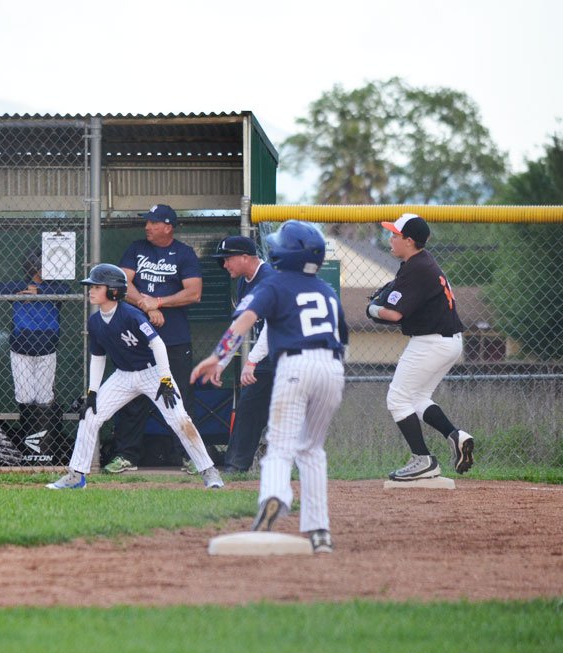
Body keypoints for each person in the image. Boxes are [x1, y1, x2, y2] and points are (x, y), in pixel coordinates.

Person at [192, 221, 347, 553]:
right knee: (312, 450)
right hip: (332, 369)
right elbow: (341, 335)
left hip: (294, 365)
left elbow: (244, 323)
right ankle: (319, 532)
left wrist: (218, 357)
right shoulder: (326, 291)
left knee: (280, 446)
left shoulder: (274, 284)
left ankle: (275, 496)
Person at [46, 264, 223, 490]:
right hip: (123, 376)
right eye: (92, 287)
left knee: (180, 420)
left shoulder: (131, 314)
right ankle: (76, 475)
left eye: (97, 287)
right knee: (89, 415)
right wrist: (92, 391)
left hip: (153, 373)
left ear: (113, 291)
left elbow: (157, 344)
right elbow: (98, 356)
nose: (91, 291)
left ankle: (209, 471)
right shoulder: (95, 321)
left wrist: (165, 380)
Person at [366, 213, 474, 480]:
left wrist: (372, 309)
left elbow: (394, 315)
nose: (390, 239)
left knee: (397, 399)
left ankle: (423, 460)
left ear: (409, 240)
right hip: (448, 341)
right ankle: (456, 435)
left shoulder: (416, 268)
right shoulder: (421, 262)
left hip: (431, 342)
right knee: (417, 398)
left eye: (395, 234)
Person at [106, 203, 203, 474]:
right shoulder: (136, 248)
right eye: (146, 222)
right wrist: (147, 306)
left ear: (168, 227)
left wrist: (159, 302)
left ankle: (190, 455)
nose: (147, 227)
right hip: (136, 339)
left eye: (153, 222)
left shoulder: (184, 253)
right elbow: (122, 283)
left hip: (174, 339)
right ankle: (126, 456)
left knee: (179, 397)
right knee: (132, 397)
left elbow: (194, 293)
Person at [0, 247, 71, 462]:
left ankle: (43, 450)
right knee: (25, 397)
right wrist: (24, 290)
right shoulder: (18, 286)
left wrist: (40, 293)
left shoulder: (56, 288)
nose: (46, 269)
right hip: (21, 348)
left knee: (43, 398)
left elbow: (66, 291)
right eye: (42, 266)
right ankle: (30, 448)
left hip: (47, 348)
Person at [211, 235, 278, 475]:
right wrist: (221, 361)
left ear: (245, 257)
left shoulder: (269, 279)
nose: (225, 264)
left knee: (263, 407)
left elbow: (273, 327)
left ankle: (237, 467)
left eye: (228, 259)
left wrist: (251, 361)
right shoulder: (244, 282)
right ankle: (236, 467)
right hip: (270, 354)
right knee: (250, 406)